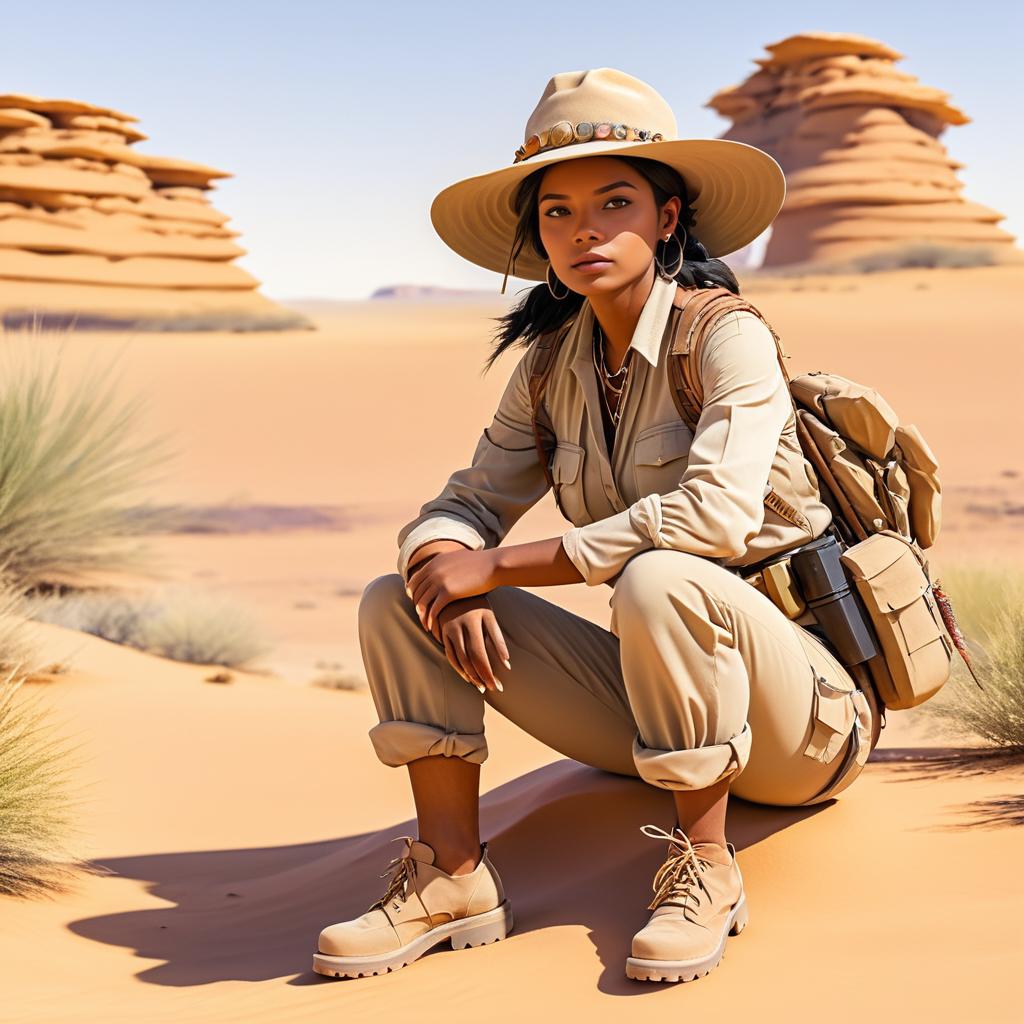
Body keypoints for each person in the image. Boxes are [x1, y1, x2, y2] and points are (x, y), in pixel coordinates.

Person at [313, 67, 874, 984]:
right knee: (398, 599)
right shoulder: (549, 367)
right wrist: (448, 565)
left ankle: (706, 866)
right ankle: (451, 877)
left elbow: (713, 518)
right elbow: (464, 500)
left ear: (668, 218)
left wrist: (500, 568)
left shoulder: (726, 336)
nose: (584, 232)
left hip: (802, 722)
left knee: (661, 574)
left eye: (614, 202)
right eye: (557, 212)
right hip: (660, 710)